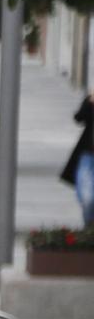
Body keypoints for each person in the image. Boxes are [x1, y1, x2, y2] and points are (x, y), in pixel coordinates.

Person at [63, 94, 94, 226]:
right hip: (89, 155)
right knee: (87, 199)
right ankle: (89, 231)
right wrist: (90, 102)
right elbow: (79, 118)